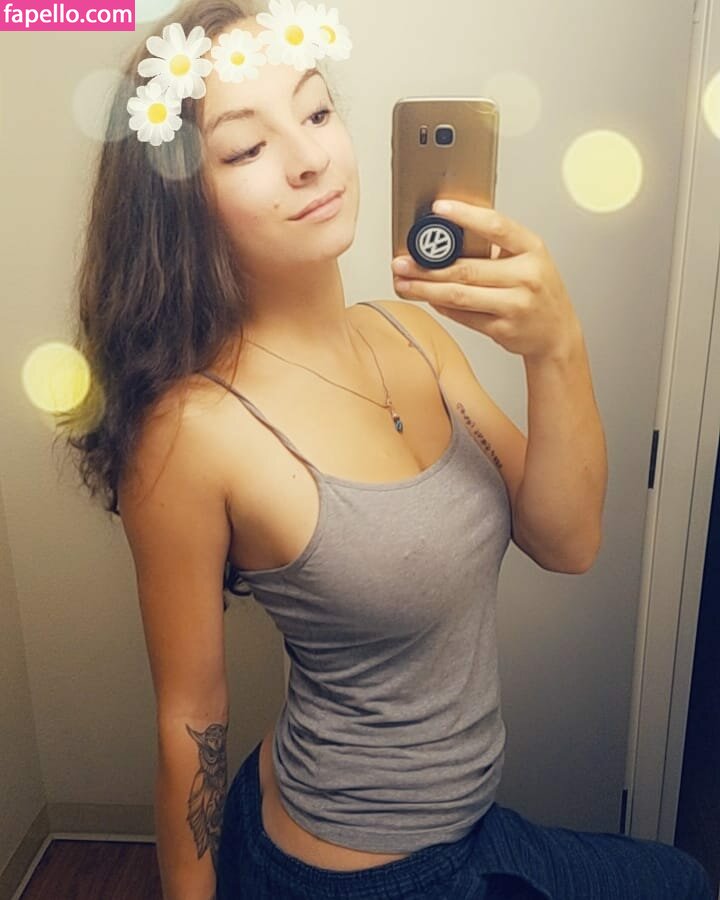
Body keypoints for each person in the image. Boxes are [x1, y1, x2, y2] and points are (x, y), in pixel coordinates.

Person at [61, 0, 715, 897]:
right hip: (351, 870)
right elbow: (189, 722)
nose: (309, 158)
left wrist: (555, 347)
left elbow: (567, 540)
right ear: (181, 202)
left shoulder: (411, 334)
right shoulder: (192, 432)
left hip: (471, 825)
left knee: (681, 878)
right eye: (246, 148)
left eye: (317, 111)